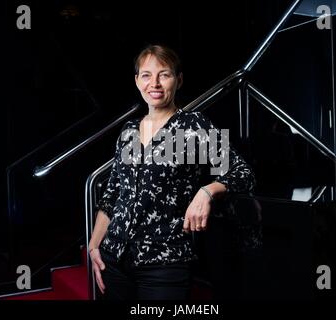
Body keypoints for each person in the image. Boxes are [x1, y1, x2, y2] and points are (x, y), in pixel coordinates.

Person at [88, 44, 255, 300]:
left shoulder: (195, 124)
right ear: (136, 81)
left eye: (164, 74)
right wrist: (94, 245)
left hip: (164, 263)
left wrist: (207, 192)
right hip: (114, 259)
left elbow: (243, 173)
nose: (154, 83)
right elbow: (112, 195)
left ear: (178, 80)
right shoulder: (128, 130)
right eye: (146, 75)